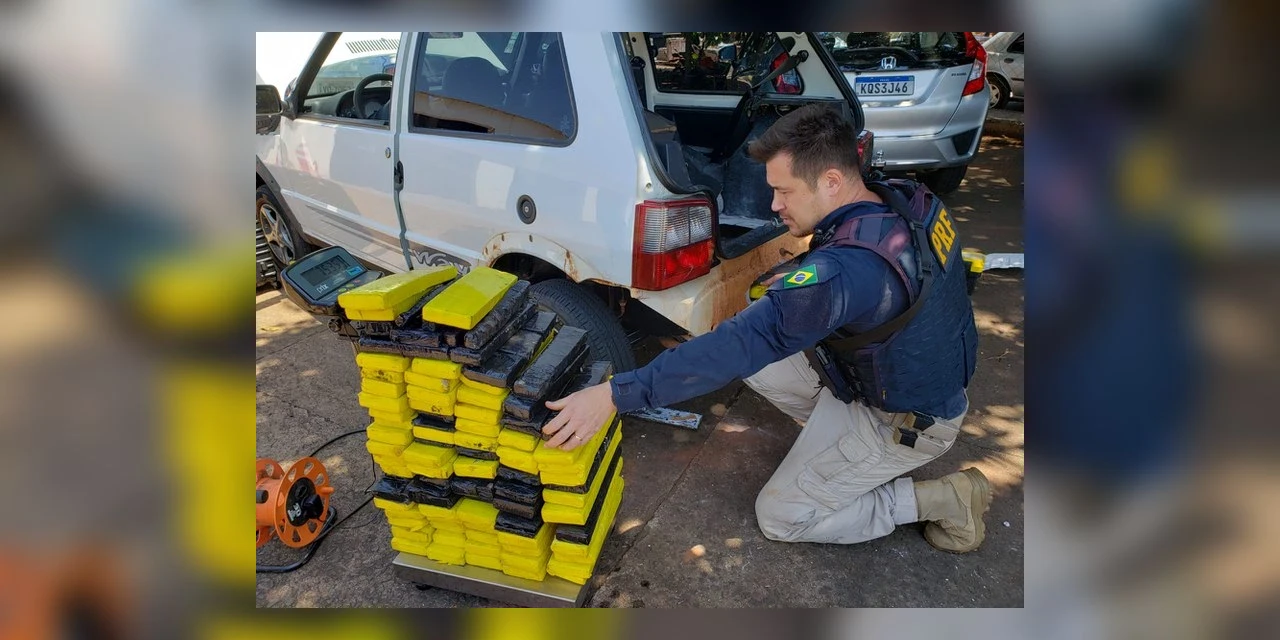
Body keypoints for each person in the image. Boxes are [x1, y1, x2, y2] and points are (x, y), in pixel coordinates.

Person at [541, 103, 990, 552]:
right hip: (894, 380)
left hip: (905, 422)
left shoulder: (848, 272)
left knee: (782, 516)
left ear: (831, 181)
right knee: (744, 352)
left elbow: (748, 340)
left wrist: (614, 394)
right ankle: (835, 453)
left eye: (784, 191)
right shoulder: (895, 201)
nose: (774, 206)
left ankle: (945, 499)